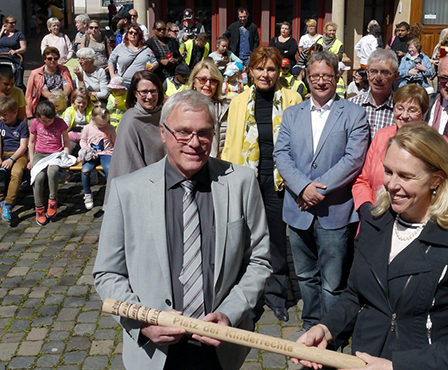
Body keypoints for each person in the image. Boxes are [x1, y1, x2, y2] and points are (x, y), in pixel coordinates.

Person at [294, 123, 448, 370]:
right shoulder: (373, 222)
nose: (391, 184)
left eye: (406, 176)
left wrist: (396, 366)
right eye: (388, 171)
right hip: (359, 361)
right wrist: (326, 329)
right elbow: (356, 295)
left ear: (436, 180)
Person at [93, 89, 272, 370]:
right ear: (163, 132)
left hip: (220, 348)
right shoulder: (127, 190)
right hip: (154, 350)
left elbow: (259, 261)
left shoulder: (241, 182)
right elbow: (108, 273)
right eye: (183, 132)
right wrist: (142, 322)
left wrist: (229, 312)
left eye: (204, 133)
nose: (195, 142)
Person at [273, 50, 370, 332]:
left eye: (327, 76)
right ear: (306, 76)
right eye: (315, 76)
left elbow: (353, 159)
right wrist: (303, 187)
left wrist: (319, 190)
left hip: (334, 210)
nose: (320, 81)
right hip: (297, 207)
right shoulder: (293, 114)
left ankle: (331, 331)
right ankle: (310, 322)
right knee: (304, 275)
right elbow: (281, 155)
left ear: (337, 77)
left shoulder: (354, 113)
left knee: (332, 280)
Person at [222, 47, 302, 322]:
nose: (265, 74)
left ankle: (277, 295)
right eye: (260, 68)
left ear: (279, 71)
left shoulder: (292, 99)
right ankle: (250, 298)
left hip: (279, 179)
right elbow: (231, 142)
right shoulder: (239, 102)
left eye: (270, 69)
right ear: (250, 71)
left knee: (277, 240)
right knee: (247, 240)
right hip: (248, 178)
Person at [353, 84, 448, 211]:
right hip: (374, 216)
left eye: (412, 110)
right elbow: (363, 180)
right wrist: (365, 207)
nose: (404, 115)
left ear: (424, 112)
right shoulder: (381, 136)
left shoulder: (441, 145)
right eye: (399, 108)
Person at [104, 70, 165, 203]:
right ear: (134, 93)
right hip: (143, 190)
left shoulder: (165, 115)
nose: (149, 96)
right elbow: (128, 164)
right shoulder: (130, 120)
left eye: (153, 91)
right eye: (144, 92)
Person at [27, 100, 72, 226]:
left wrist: (66, 154)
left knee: (53, 171)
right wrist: (31, 159)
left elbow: (66, 141)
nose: (47, 123)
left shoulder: (60, 123)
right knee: (38, 177)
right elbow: (31, 143)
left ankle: (52, 200)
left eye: (50, 120)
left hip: (55, 153)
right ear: (38, 117)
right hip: (40, 154)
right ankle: (39, 208)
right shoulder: (36, 123)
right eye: (44, 121)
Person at [349, 49, 398, 139]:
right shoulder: (352, 105)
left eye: (385, 73)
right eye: (373, 71)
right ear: (367, 74)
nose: (378, 78)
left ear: (396, 76)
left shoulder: (401, 110)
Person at [188, 60, 231, 157]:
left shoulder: (227, 109)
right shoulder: (182, 107)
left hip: (219, 165)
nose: (207, 84)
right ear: (194, 82)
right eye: (202, 79)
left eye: (213, 81)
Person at [79, 106, 116, 210]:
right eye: (100, 124)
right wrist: (86, 148)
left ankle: (110, 194)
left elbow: (114, 142)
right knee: (85, 170)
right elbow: (82, 140)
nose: (102, 126)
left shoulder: (110, 128)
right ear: (93, 119)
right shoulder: (87, 128)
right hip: (91, 153)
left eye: (104, 124)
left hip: (106, 153)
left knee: (109, 169)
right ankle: (87, 194)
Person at [0, 96, 29, 223]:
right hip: (3, 153)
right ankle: (1, 200)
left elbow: (23, 146)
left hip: (18, 155)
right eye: (1, 115)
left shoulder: (22, 125)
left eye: (5, 115)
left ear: (15, 112)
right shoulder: (0, 124)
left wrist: (11, 159)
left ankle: (9, 203)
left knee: (16, 173)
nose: (2, 118)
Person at [25, 46, 74, 119]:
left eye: (55, 58)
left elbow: (67, 86)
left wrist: (60, 98)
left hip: (62, 98)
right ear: (44, 59)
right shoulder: (35, 73)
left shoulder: (64, 70)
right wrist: (28, 112)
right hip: (46, 100)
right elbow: (34, 93)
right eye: (49, 58)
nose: (53, 60)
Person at [0, 15, 27, 91]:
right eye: (11, 23)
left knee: (18, 69)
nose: (13, 25)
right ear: (5, 23)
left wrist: (15, 51)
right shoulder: (1, 34)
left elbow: (24, 48)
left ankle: (19, 87)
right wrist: (2, 32)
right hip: (1, 56)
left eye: (14, 23)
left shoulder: (18, 34)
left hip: (13, 57)